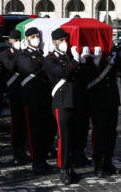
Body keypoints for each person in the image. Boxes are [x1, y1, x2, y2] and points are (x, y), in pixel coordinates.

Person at [43, 28, 89, 185]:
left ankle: (71, 167)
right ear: (55, 42)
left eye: (66, 40)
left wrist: (83, 62)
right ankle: (63, 169)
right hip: (61, 102)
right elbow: (63, 73)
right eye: (61, 40)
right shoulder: (49, 59)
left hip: (75, 101)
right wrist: (76, 61)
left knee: (75, 136)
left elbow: (80, 78)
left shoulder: (70, 55)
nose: (65, 43)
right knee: (64, 138)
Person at [14, 27, 53, 174]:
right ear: (27, 39)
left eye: (38, 36)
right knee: (34, 131)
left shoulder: (41, 54)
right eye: (33, 37)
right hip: (31, 98)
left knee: (46, 131)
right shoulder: (22, 55)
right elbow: (31, 68)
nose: (36, 39)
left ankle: (43, 159)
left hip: (45, 96)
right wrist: (45, 56)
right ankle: (36, 162)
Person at [86, 46, 121, 177]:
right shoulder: (91, 52)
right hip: (98, 100)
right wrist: (95, 62)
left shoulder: (114, 53)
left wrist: (114, 58)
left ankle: (108, 161)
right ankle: (98, 164)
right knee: (99, 133)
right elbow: (86, 76)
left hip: (112, 99)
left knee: (112, 133)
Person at [0, 30, 30, 165]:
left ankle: (24, 150)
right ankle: (16, 153)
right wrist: (20, 53)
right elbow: (10, 66)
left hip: (25, 91)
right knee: (17, 123)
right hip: (13, 92)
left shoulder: (23, 52)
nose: (17, 41)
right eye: (15, 40)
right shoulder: (6, 53)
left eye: (19, 39)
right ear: (10, 41)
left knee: (25, 123)